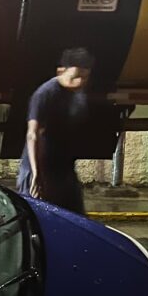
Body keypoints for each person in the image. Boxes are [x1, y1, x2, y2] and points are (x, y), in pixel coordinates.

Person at [16, 48, 94, 214]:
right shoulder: (45, 94)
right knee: (38, 217)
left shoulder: (77, 94)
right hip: (40, 168)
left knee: (74, 218)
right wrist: (36, 174)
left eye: (85, 77)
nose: (80, 82)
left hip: (63, 169)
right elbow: (33, 134)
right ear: (61, 71)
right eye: (75, 77)